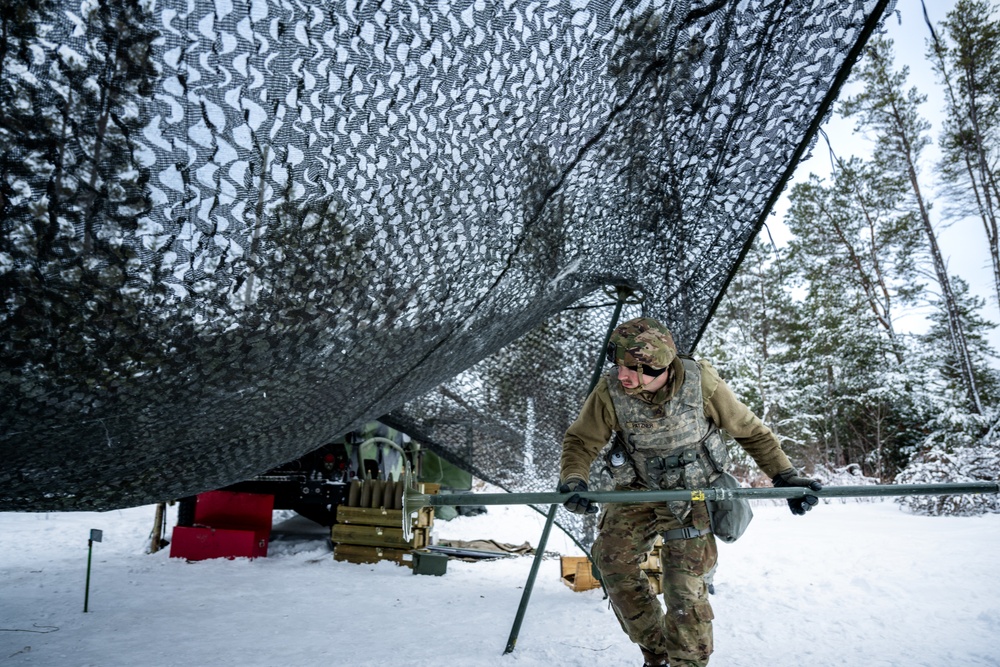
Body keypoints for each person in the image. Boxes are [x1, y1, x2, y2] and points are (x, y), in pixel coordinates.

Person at [558, 317, 821, 667]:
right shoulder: (610, 391)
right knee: (612, 564)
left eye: (633, 369)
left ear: (660, 367)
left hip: (693, 494)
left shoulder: (701, 383)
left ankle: (687, 663)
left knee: (683, 589)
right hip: (637, 489)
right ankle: (658, 653)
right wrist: (574, 479)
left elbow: (750, 431)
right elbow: (581, 440)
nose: (623, 376)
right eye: (619, 366)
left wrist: (785, 476)